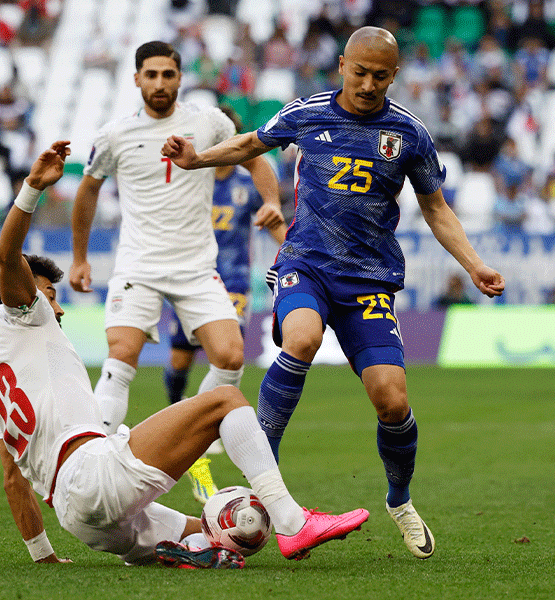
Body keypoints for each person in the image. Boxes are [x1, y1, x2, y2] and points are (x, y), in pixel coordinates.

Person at [162, 26, 505, 560]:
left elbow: (435, 207)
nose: (368, 84)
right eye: (360, 71)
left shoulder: (409, 133)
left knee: (393, 402)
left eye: (381, 75)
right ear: (342, 64)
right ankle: (264, 477)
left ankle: (399, 499)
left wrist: (475, 264)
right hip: (306, 265)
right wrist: (196, 158)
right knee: (299, 339)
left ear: (395, 75)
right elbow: (252, 142)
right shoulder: (308, 113)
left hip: (369, 281)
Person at [0, 140, 369, 569]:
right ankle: (293, 522)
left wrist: (44, 557)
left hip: (80, 520)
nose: (56, 306)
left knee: (214, 533)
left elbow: (12, 480)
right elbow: (6, 256)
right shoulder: (23, 317)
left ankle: (198, 552)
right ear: (19, 296)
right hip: (91, 477)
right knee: (225, 400)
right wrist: (32, 188)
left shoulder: (1, 376)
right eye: (48, 294)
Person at [70, 41, 285, 504]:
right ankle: (91, 462)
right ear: (136, 80)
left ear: (180, 78)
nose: (160, 83)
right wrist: (81, 258)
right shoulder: (115, 134)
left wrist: (271, 201)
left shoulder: (208, 122)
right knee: (121, 354)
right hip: (139, 266)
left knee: (230, 356)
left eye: (168, 74)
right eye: (151, 74)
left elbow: (254, 156)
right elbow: (87, 191)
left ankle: (192, 439)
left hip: (195, 267)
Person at [163, 107, 286, 408]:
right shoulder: (189, 177)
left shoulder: (247, 182)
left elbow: (271, 220)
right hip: (193, 275)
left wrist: (294, 250)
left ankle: (202, 420)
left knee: (229, 353)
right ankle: (175, 410)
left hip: (234, 277)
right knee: (180, 358)